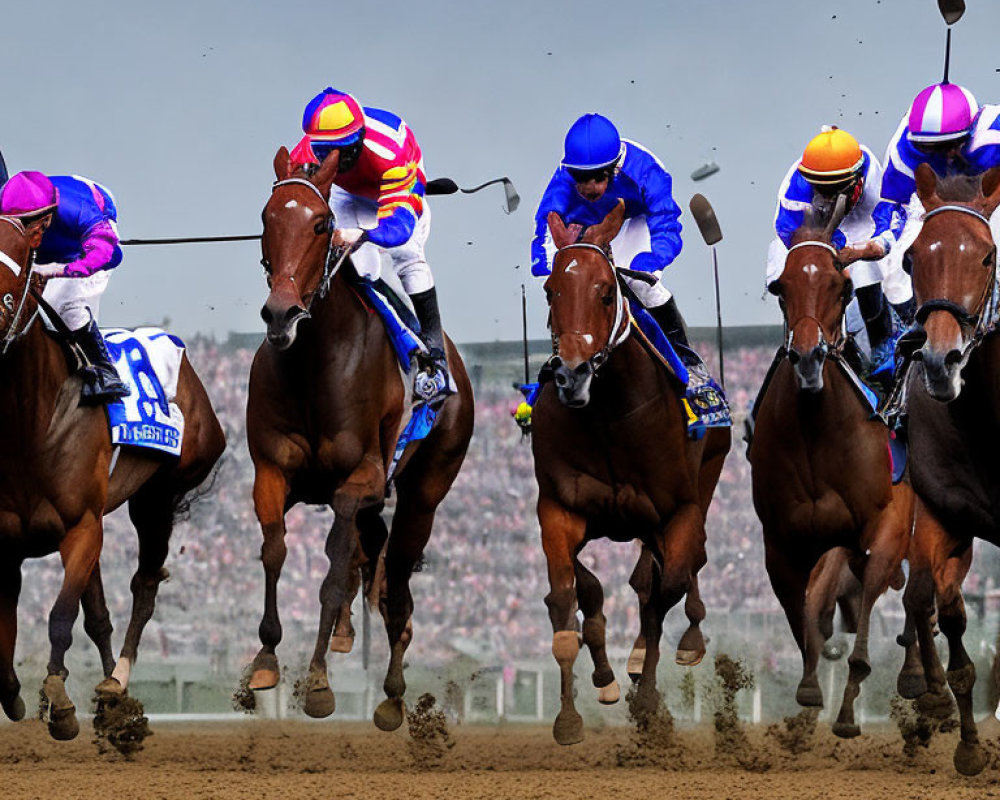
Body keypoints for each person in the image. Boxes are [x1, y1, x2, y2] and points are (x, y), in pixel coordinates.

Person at [288, 87, 450, 405]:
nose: (336, 160)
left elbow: (398, 230)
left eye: (345, 151)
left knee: (407, 258)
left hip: (396, 190)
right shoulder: (306, 152)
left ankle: (435, 352)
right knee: (359, 268)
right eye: (326, 152)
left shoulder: (390, 152)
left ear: (359, 137)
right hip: (348, 195)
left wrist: (358, 235)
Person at [531, 113, 689, 350]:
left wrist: (651, 261)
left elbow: (665, 220)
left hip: (635, 221)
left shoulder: (647, 171)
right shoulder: (562, 180)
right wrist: (549, 270)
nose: (589, 187)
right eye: (581, 178)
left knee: (640, 284)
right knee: (568, 288)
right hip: (587, 232)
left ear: (614, 168)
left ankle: (687, 362)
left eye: (598, 177)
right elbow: (544, 226)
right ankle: (561, 360)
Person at [766, 126, 908, 371]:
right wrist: (829, 252)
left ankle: (884, 340)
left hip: (861, 221)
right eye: (822, 190)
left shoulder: (877, 183)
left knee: (875, 266)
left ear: (857, 180)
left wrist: (866, 251)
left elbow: (893, 223)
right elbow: (788, 233)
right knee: (785, 264)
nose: (830, 197)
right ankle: (795, 338)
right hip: (813, 236)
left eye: (836, 190)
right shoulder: (794, 193)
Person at [0, 171, 128, 401]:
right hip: (50, 242)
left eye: (30, 224)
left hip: (84, 245)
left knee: (67, 306)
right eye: (18, 224)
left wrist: (57, 271)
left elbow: (112, 256)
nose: (23, 230)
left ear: (47, 217)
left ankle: (103, 370)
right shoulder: (7, 207)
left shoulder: (78, 212)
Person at [881, 82, 1000, 292]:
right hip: (932, 194)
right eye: (932, 148)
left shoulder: (993, 136)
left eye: (952, 144)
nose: (946, 154)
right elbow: (896, 210)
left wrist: (987, 208)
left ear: (971, 130)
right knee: (893, 270)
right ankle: (909, 320)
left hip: (986, 187)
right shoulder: (902, 157)